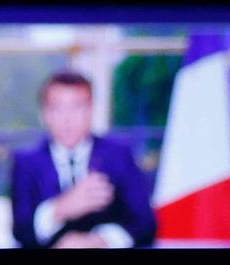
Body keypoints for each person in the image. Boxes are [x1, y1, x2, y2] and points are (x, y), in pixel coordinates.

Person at [9, 71, 156, 248]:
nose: (67, 118)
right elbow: (20, 231)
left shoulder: (119, 155)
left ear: (91, 110)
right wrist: (60, 209)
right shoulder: (25, 162)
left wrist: (100, 241)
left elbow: (145, 223)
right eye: (57, 108)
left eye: (77, 107)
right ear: (44, 114)